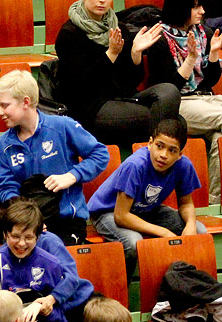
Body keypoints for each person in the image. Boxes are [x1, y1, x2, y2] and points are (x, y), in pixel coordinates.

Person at [55, 0, 181, 151]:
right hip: (88, 107)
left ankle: (150, 152)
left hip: (121, 99)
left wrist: (135, 54)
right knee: (174, 122)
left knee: (169, 92)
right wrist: (111, 54)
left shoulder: (118, 28)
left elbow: (130, 82)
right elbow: (80, 86)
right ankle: (149, 157)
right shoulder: (69, 34)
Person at [0, 68, 110, 245]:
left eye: (5, 105)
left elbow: (100, 154)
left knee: (53, 251)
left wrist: (72, 176)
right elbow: (7, 187)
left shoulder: (62, 126)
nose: (0, 112)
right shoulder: (4, 144)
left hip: (67, 221)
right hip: (27, 224)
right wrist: (26, 219)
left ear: (25, 102)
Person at [88, 118, 206, 279]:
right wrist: (163, 232)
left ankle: (182, 284)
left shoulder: (183, 165)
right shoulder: (135, 165)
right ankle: (122, 288)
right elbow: (121, 216)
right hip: (108, 212)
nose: (163, 155)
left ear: (180, 154)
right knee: (133, 242)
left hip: (146, 210)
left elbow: (186, 203)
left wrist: (190, 226)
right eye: (159, 146)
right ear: (150, 143)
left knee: (199, 231)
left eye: (172, 150)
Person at [148, 0, 222, 204]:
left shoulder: (203, 33)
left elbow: (209, 81)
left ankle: (214, 202)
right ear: (180, 8)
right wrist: (190, 59)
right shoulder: (159, 40)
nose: (203, 11)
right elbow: (170, 89)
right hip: (179, 105)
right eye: (196, 6)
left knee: (219, 138)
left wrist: (214, 55)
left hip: (204, 99)